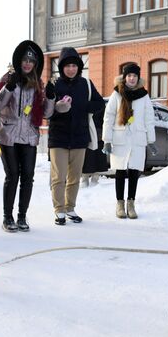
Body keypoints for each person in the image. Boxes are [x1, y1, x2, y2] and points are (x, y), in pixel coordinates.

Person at [0, 40, 55, 232]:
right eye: (25, 60)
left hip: (29, 135)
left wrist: (51, 98)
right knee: (12, 175)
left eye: (31, 61)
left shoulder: (38, 85)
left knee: (28, 176)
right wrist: (8, 88)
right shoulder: (7, 79)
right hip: (8, 134)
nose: (27, 64)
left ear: (35, 64)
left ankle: (21, 216)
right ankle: (7, 216)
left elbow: (47, 113)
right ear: (19, 61)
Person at [49, 47, 105, 225]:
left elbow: (99, 104)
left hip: (80, 137)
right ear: (62, 67)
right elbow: (46, 112)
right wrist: (58, 108)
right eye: (67, 66)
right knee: (59, 176)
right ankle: (59, 210)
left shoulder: (85, 84)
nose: (71, 69)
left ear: (79, 67)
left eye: (74, 65)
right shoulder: (55, 85)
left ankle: (70, 207)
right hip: (58, 138)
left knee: (74, 176)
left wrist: (84, 107)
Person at [102, 63, 157, 219]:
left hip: (137, 138)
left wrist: (151, 140)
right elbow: (109, 116)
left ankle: (131, 204)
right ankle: (120, 204)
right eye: (129, 76)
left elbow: (149, 118)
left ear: (138, 78)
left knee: (134, 172)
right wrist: (107, 139)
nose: (132, 78)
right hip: (120, 137)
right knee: (120, 171)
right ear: (125, 77)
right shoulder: (117, 94)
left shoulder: (144, 95)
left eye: (134, 76)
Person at [80, 101, 109, 188]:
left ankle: (94, 179)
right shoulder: (84, 102)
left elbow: (105, 120)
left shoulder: (100, 105)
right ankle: (85, 179)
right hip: (87, 135)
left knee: (97, 158)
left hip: (97, 136)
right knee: (87, 158)